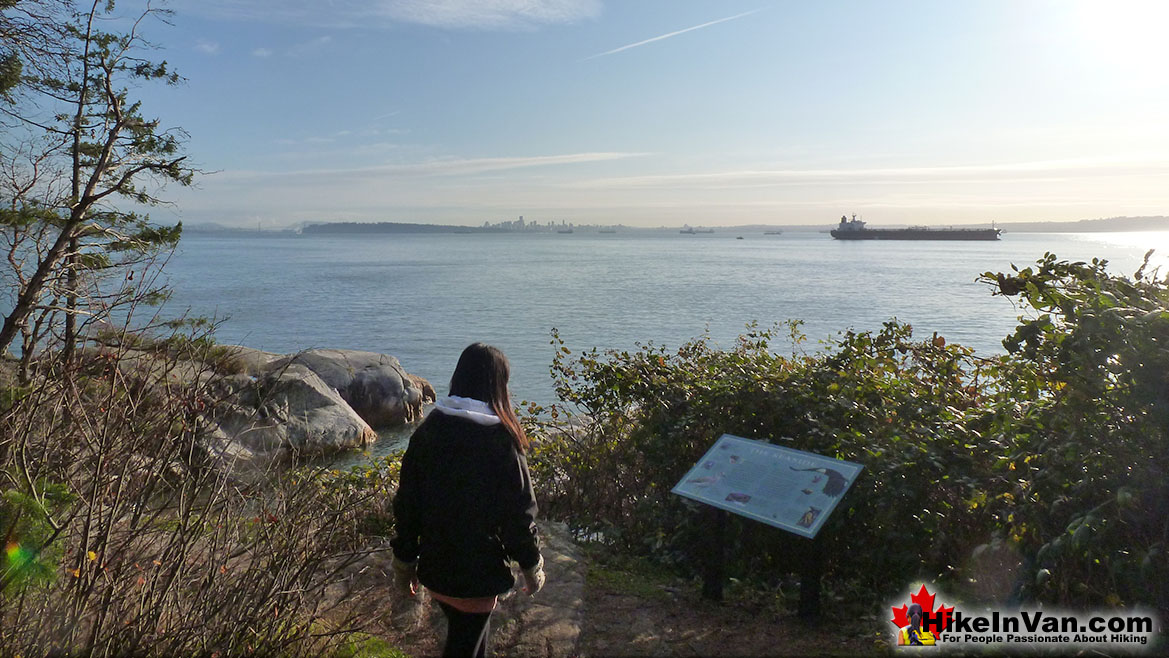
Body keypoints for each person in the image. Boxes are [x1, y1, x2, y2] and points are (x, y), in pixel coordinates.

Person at [390, 343, 544, 658]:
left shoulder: (428, 432)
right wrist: (531, 565)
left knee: (470, 642)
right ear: (499, 385)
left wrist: (404, 563)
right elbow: (519, 514)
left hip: (437, 566)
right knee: (466, 645)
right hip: (480, 572)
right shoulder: (502, 440)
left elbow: (408, 504)